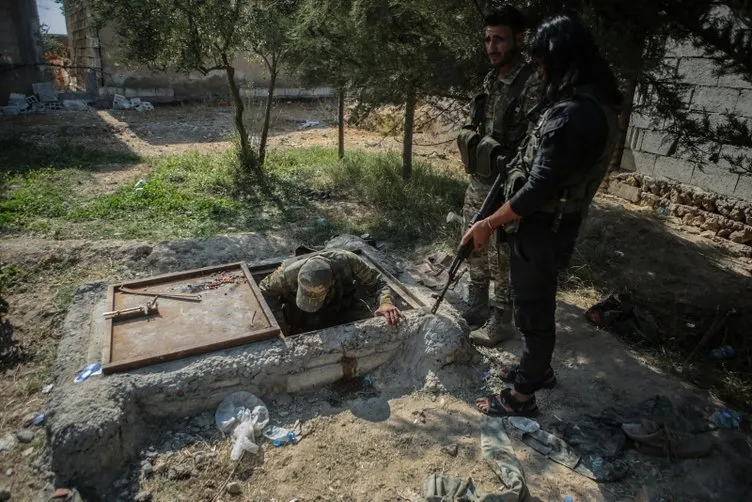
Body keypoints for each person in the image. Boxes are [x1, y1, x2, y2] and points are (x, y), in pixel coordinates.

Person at [464, 13, 623, 416]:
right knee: (535, 304)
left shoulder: (574, 114)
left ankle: (522, 396)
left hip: (542, 228)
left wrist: (487, 223)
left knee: (533, 313)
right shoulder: (584, 103)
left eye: (541, 62)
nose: (538, 70)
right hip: (548, 225)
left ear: (561, 59)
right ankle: (539, 370)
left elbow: (539, 187)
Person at [456, 5, 537, 346]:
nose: (491, 47)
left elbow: (536, 140)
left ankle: (501, 316)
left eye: (499, 39)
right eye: (488, 39)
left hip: (509, 182)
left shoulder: (532, 83)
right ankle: (476, 303)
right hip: (482, 176)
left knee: (500, 250)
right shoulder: (493, 79)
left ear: (520, 39)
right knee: (472, 237)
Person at [259, 249, 402, 332]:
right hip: (300, 313)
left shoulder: (348, 261)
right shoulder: (284, 276)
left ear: (332, 282)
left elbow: (379, 283)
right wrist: (279, 326)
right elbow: (262, 292)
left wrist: (386, 303)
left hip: (339, 303)